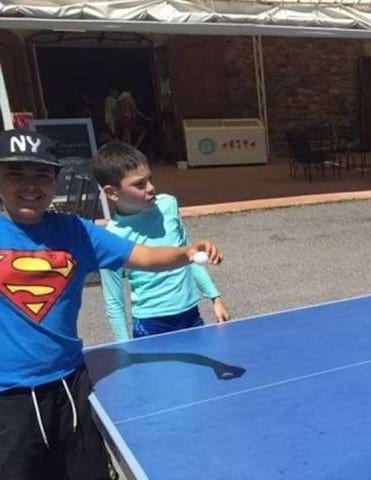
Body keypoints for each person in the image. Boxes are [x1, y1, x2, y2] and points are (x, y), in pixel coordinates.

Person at [0, 129, 222, 480]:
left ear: (55, 181)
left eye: (41, 174)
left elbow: (144, 256)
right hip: (8, 396)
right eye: (15, 174)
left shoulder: (75, 231)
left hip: (69, 384)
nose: (30, 185)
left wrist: (185, 252)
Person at [94, 142, 230, 341]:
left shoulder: (168, 205)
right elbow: (114, 302)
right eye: (140, 184)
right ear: (112, 193)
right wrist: (125, 348)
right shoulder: (110, 238)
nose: (151, 188)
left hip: (191, 314)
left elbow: (189, 255)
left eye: (150, 179)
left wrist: (215, 298)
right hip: (151, 324)